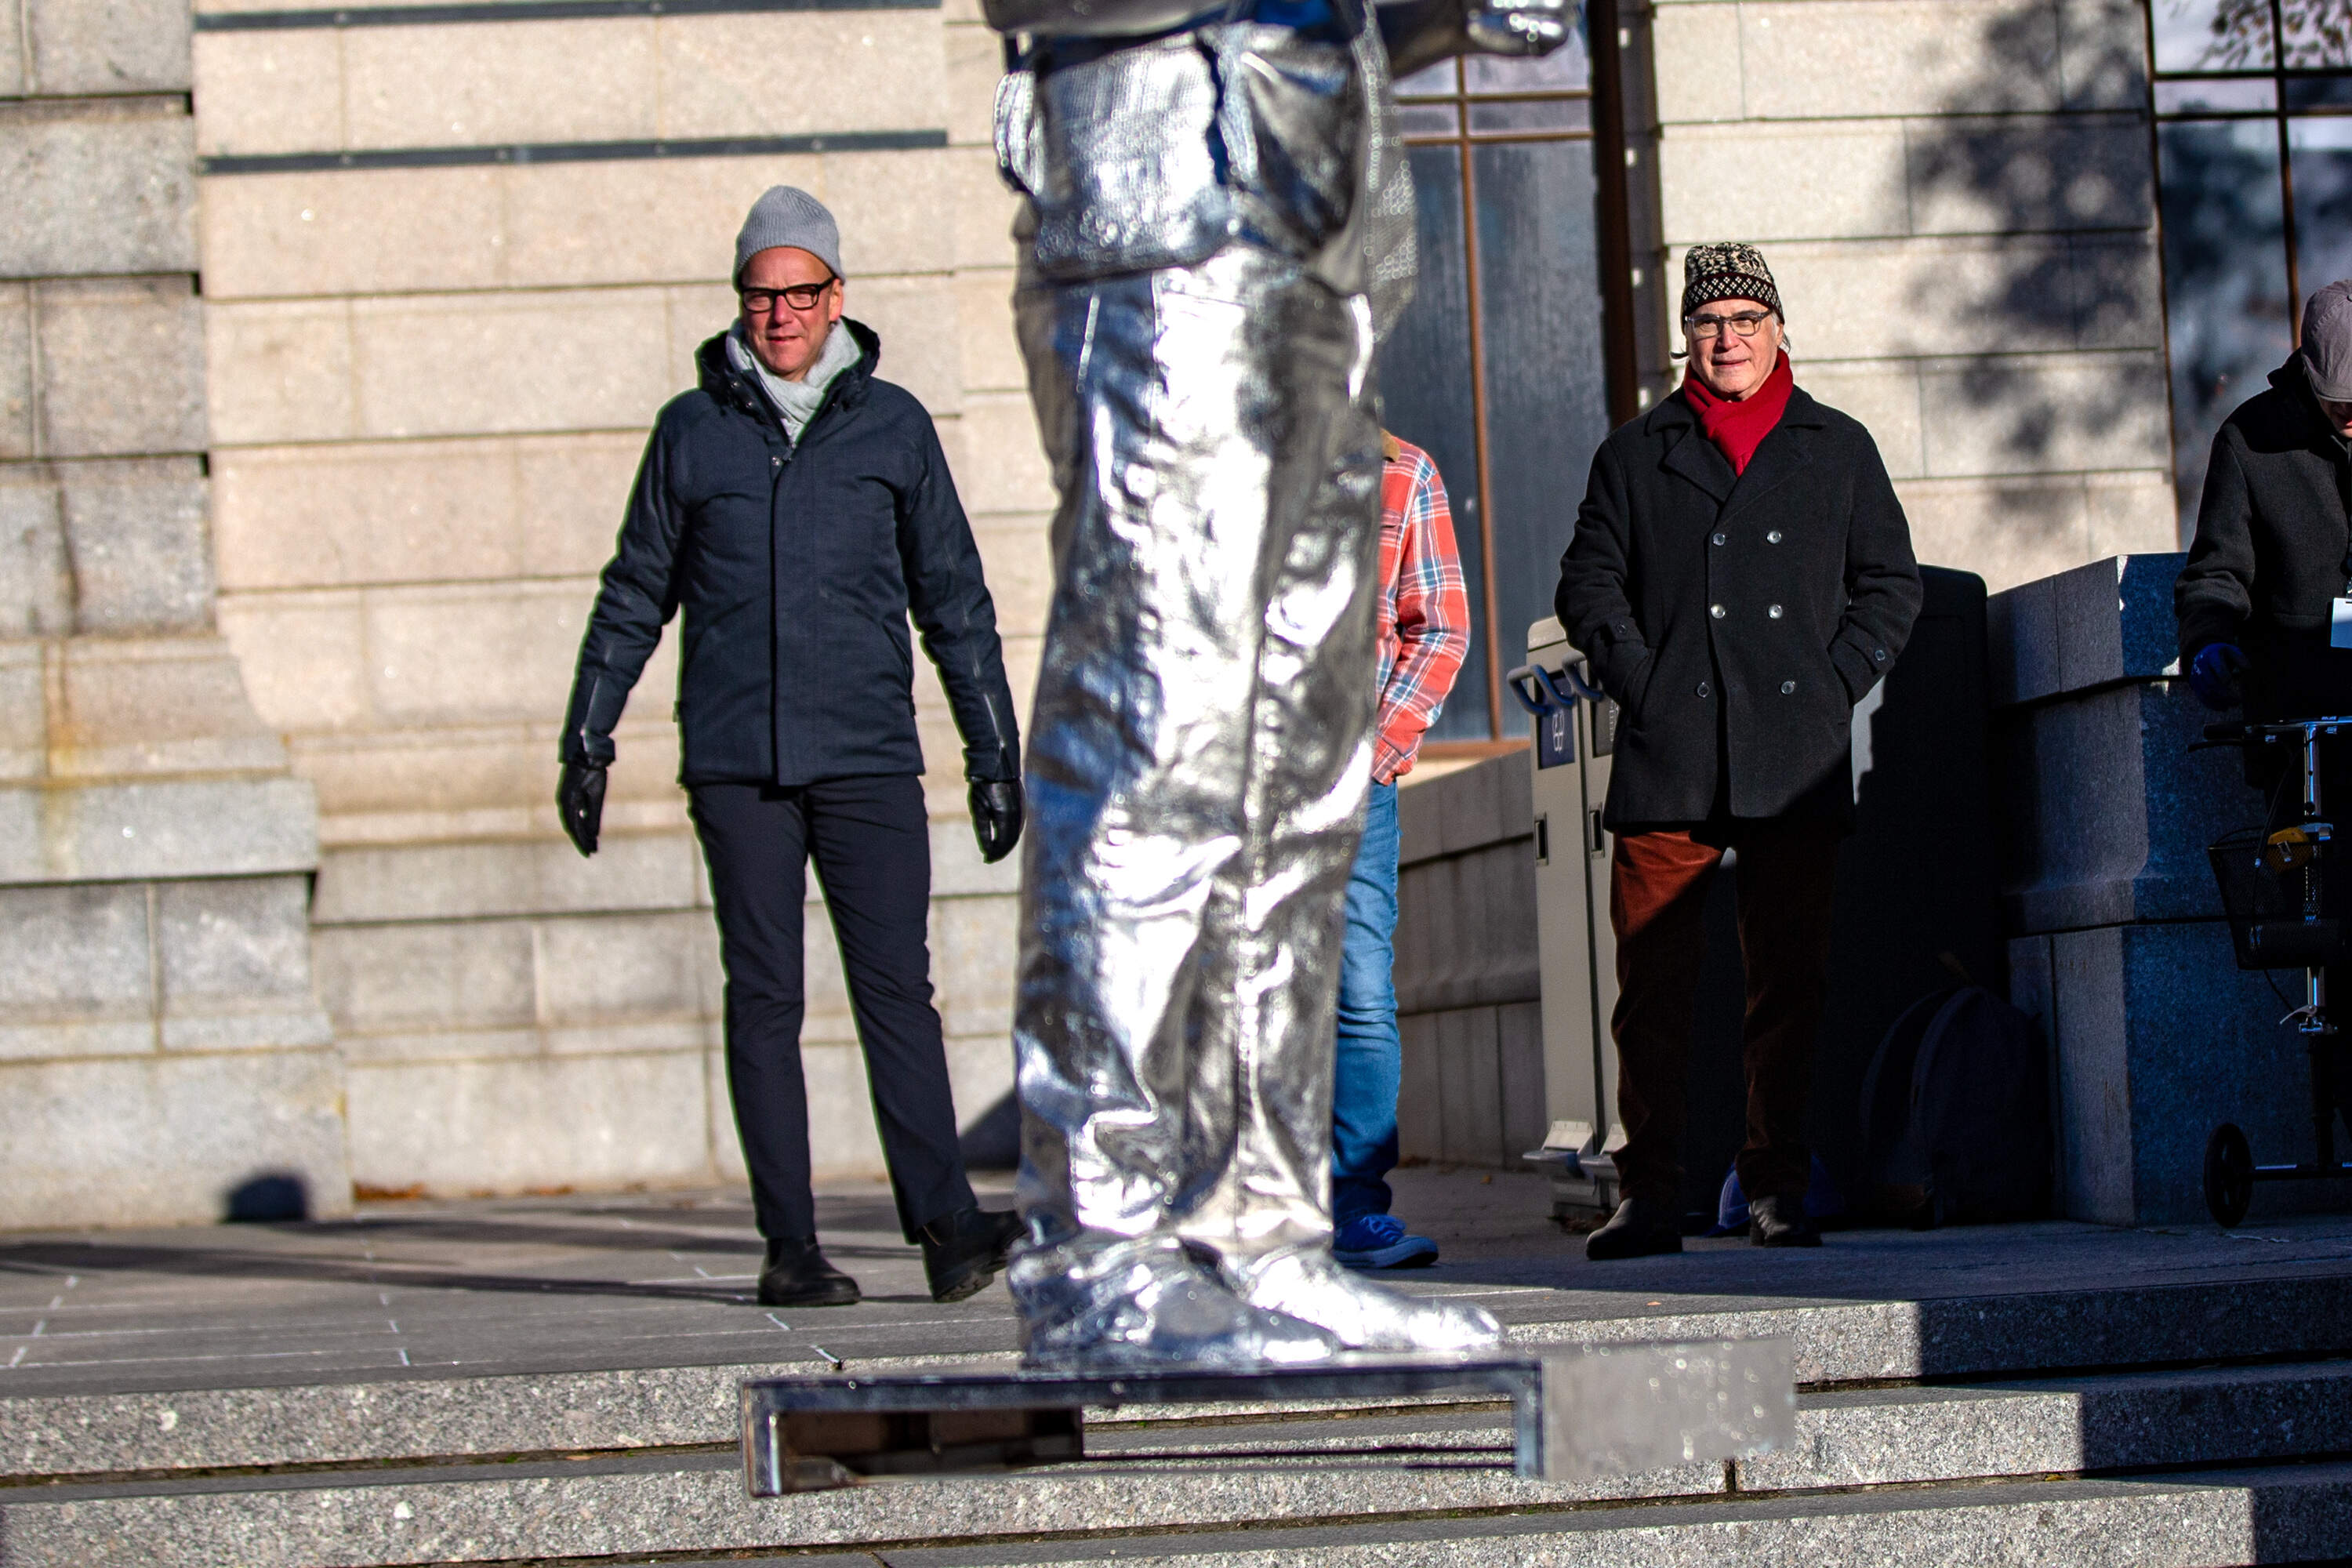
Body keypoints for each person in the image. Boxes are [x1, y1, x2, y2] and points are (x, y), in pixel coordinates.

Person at [984, 0, 1566, 1365]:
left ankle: (1261, 1231)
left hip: (1324, 235)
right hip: (1164, 188)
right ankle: (1102, 1246)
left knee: (1299, 789)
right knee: (1160, 746)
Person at [555, 187, 1025, 1309]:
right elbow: (634, 594)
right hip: (737, 764)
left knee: (895, 994)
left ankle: (948, 1227)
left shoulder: (893, 426)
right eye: (761, 297)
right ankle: (792, 1247)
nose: (780, 316)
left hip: (866, 755)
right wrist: (588, 731)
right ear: (741, 304)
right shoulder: (693, 430)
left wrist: (992, 747)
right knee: (762, 996)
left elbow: (952, 598)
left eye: (800, 293)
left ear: (836, 297)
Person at [1555, 242, 1922, 1261]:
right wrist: (1645, 681)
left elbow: (1890, 586)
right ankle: (1650, 1195)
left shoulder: (1836, 447)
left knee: (1788, 983)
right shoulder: (1634, 454)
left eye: (1746, 320)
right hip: (1670, 752)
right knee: (1654, 990)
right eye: (1710, 322)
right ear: (1687, 336)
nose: (1728, 339)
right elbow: (1586, 586)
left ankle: (1776, 1186)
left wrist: (1832, 679)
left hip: (1792, 756)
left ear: (1778, 330)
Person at [1331, 432, 1470, 1270]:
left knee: (1357, 991)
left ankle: (1355, 1207)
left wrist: (1379, 748)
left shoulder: (1402, 469)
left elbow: (1441, 624)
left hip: (1354, 780)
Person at [2177, 279, 2352, 725]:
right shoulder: (2250, 440)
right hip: (2300, 720)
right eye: (2338, 400)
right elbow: (2216, 574)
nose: (2350, 413)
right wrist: (2206, 643)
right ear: (2310, 375)